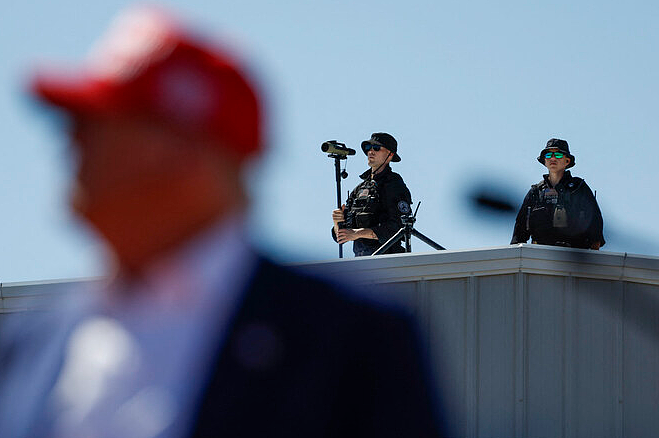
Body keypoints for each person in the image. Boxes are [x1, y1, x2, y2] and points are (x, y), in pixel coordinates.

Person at [0, 6, 448, 438]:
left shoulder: (348, 343)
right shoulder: (28, 347)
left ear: (189, 158)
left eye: (104, 122)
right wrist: (343, 230)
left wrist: (359, 234)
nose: (73, 138)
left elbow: (397, 228)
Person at [511, 138, 605, 249]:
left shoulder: (578, 188)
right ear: (544, 161)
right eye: (548, 155)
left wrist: (594, 248)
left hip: (574, 255)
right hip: (540, 256)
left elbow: (595, 218)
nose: (553, 158)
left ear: (567, 161)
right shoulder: (536, 192)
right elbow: (520, 226)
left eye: (559, 155)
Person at [331, 133, 412, 256]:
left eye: (377, 148)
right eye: (369, 147)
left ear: (390, 155)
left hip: (388, 260)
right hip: (362, 263)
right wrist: (337, 223)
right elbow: (342, 236)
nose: (371, 152)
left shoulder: (394, 185)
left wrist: (358, 233)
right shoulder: (359, 189)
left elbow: (398, 228)